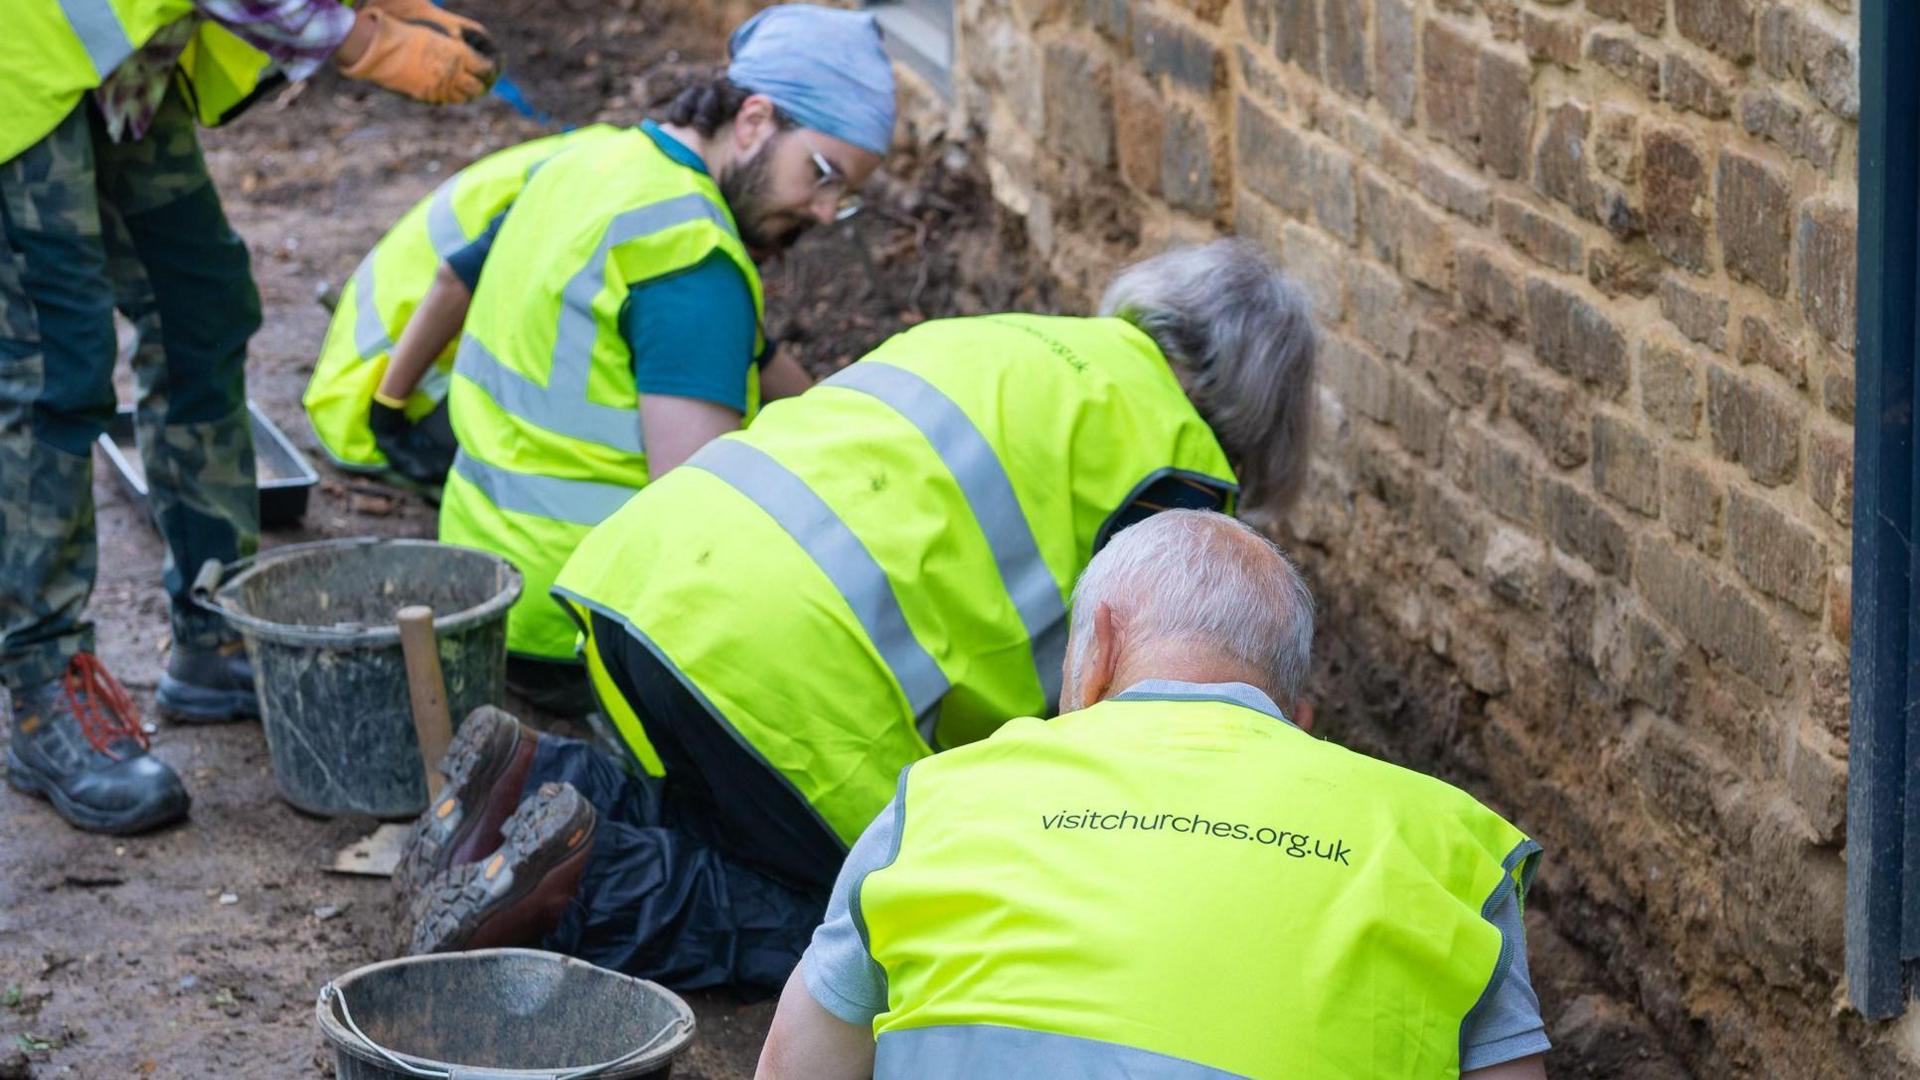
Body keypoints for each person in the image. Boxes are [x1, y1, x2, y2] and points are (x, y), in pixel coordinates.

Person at [392, 239, 1320, 993]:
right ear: (1260, 403)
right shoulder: (1179, 472)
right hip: (788, 665)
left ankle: (539, 783)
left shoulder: (1005, 337)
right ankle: (588, 892)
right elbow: (1135, 710)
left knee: (745, 817)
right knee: (877, 924)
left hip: (647, 576)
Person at [756, 510, 1551, 1079]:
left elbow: (797, 1066)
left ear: (1097, 647)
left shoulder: (942, 799)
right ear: (1293, 711)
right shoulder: (1447, 848)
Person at [2, 0, 497, 834]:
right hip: (20, 68)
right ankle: (45, 690)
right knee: (59, 366)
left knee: (202, 310)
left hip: (121, 69)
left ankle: (213, 627)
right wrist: (356, 36)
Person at [412, 4, 893, 707]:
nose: (826, 211)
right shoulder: (691, 260)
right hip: (585, 624)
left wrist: (865, 429)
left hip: (484, 584)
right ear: (755, 120)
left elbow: (756, 358)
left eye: (846, 196)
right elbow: (698, 508)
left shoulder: (590, 162)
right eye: (825, 173)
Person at [302, 124, 618, 485]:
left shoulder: (608, 153)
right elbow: (454, 281)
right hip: (374, 399)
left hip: (389, 352)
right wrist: (387, 410)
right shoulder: (595, 186)